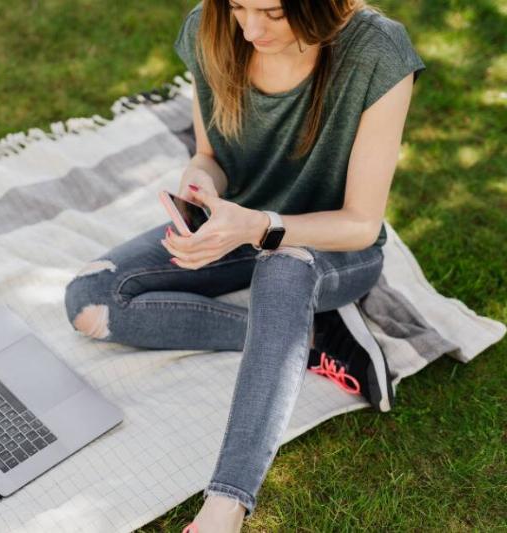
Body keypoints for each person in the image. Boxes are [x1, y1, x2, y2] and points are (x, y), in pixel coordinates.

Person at [64, 0, 425, 530]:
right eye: (238, 6)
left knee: (283, 267)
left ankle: (226, 504)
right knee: (91, 299)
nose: (251, 29)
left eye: (273, 12)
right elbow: (211, 156)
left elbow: (360, 224)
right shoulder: (210, 30)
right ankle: (306, 339)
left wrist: (258, 228)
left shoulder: (377, 51)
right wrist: (200, 188)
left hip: (332, 246)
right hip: (240, 223)